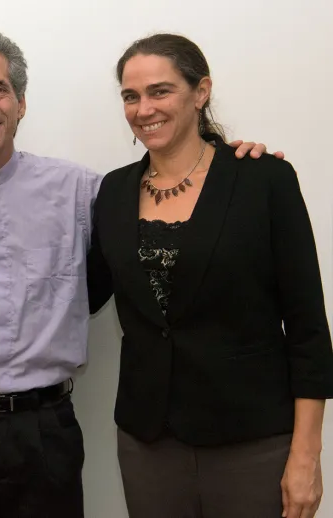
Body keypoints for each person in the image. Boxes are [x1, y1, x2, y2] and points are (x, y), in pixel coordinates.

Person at [0, 28, 275, 517]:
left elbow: (171, 198)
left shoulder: (83, 191)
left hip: (48, 426)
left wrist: (231, 165)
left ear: (21, 102)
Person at [86, 33, 333, 518]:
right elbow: (83, 293)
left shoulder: (263, 180)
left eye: (160, 91)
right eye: (130, 96)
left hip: (252, 442)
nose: (143, 109)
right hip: (148, 444)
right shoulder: (113, 191)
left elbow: (307, 330)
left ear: (200, 92)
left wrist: (307, 455)